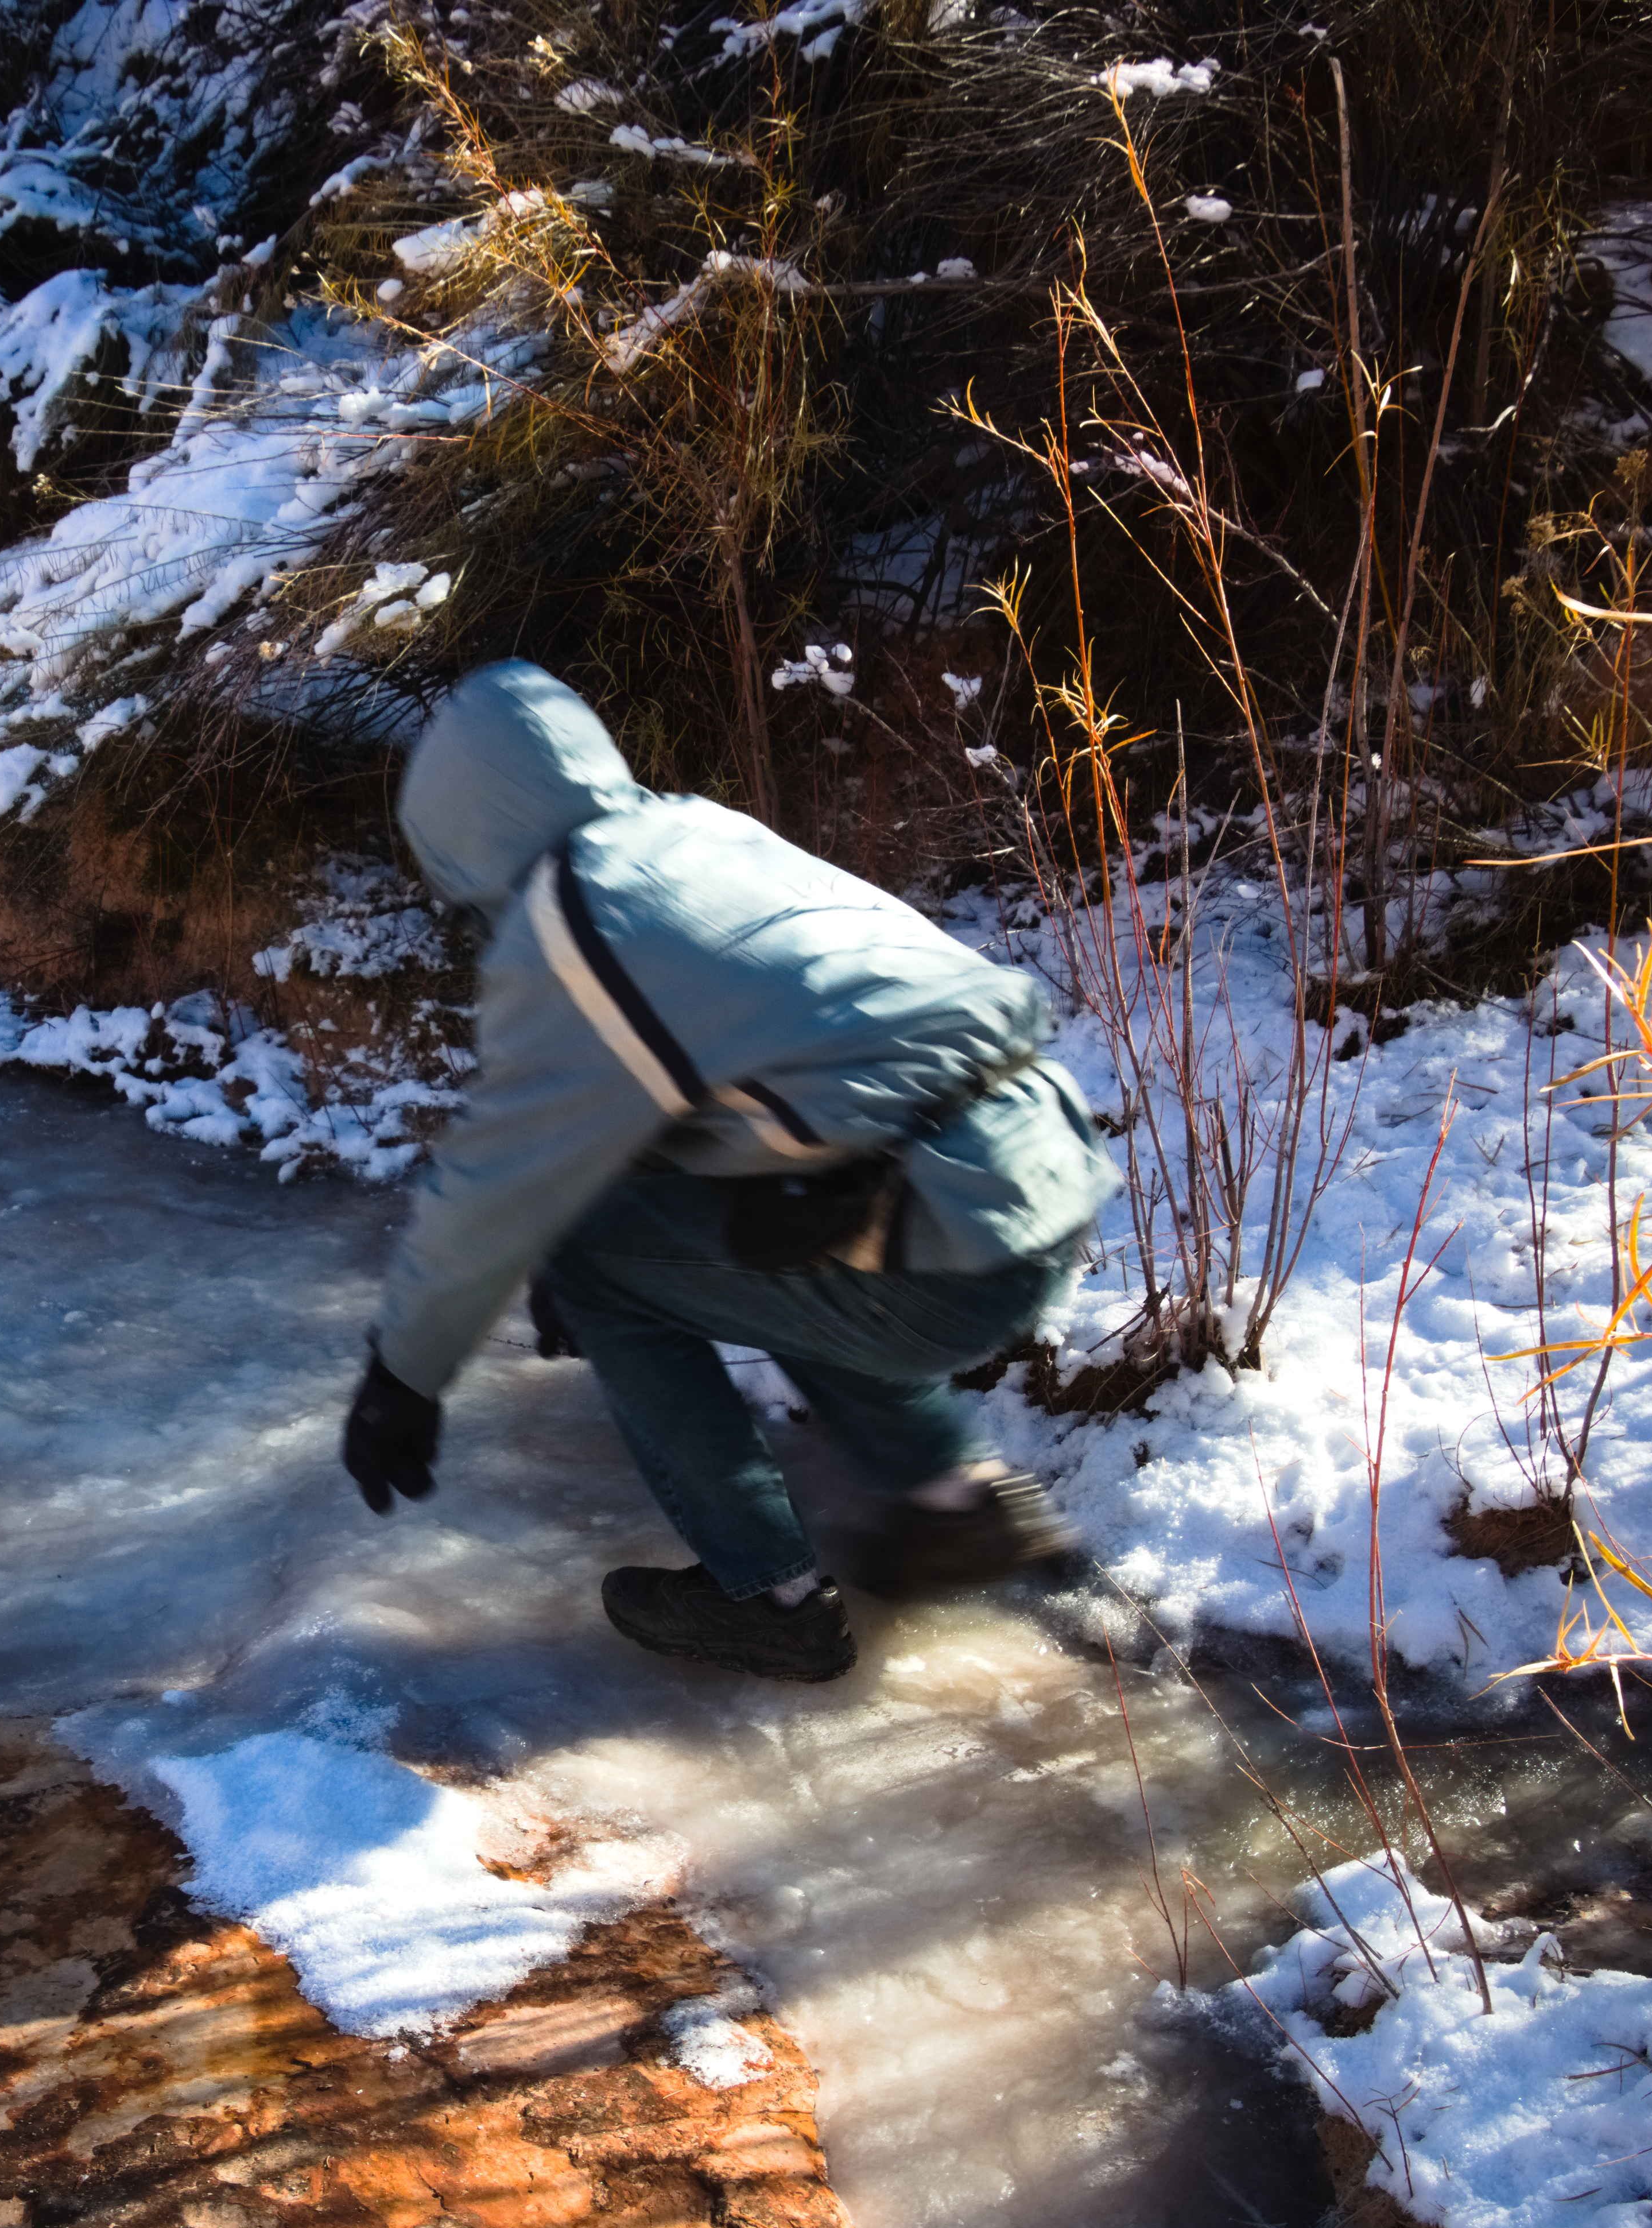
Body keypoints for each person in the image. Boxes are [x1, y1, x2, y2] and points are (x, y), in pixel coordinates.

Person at [337, 660, 1116, 1683]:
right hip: (1034, 1177)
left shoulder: (572, 921)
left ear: (462, 831)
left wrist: (403, 1373)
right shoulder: (698, 836)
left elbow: (495, 1181)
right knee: (725, 1231)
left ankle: (767, 1592)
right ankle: (943, 1502)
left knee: (591, 1264)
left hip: (936, 1236)